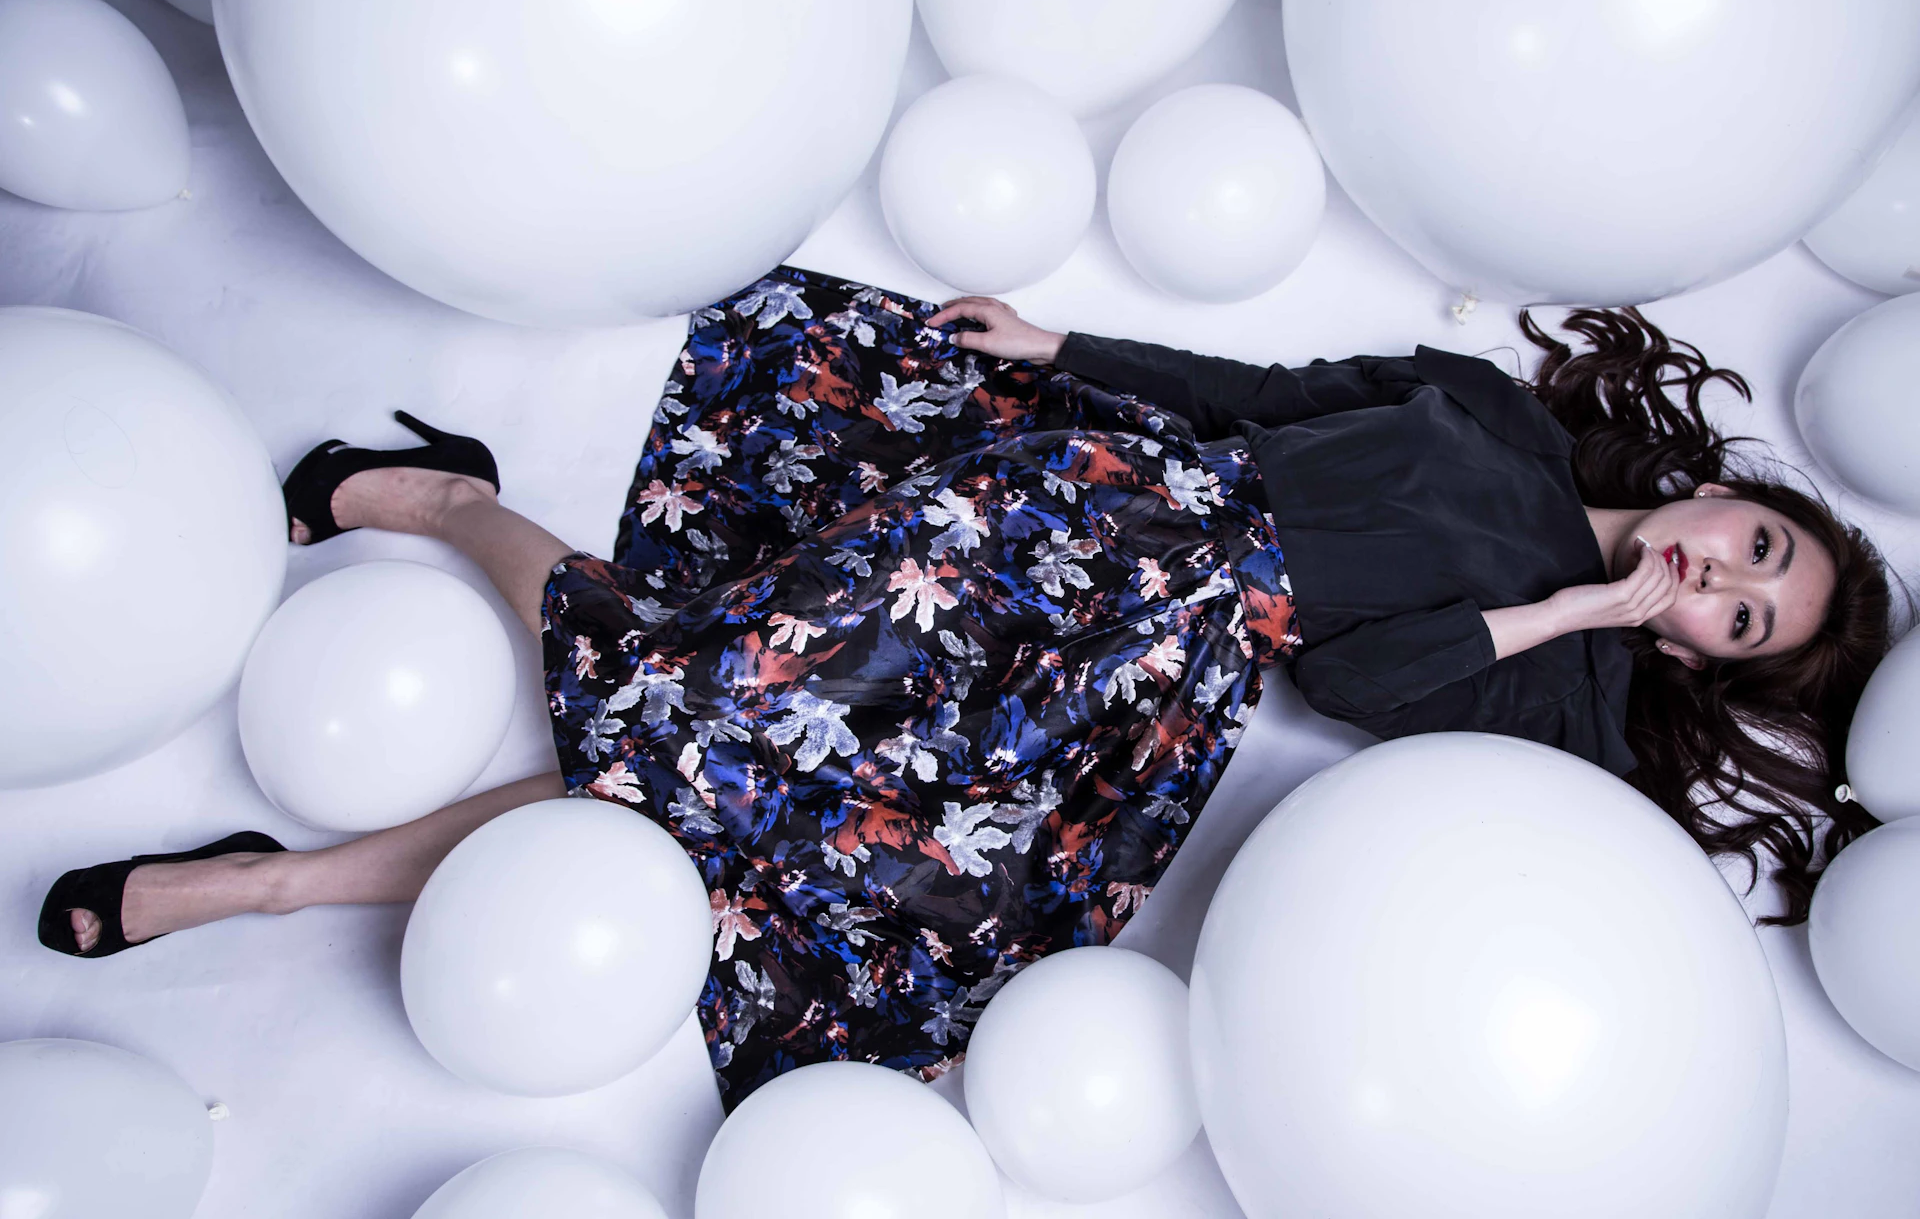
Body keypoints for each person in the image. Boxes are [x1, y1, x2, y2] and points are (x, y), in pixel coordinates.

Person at [36, 268, 1891, 1111]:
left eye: (1736, 622)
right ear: (1744, 497)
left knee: (747, 825)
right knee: (713, 728)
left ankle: (435, 530)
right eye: (1757, 553)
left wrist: (1575, 607)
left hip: (1148, 701)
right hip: (1092, 513)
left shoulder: (1559, 700)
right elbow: (1263, 403)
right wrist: (1066, 343)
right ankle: (330, 732)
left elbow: (1353, 668)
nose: (1714, 577)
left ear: (1687, 654)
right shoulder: (1487, 415)